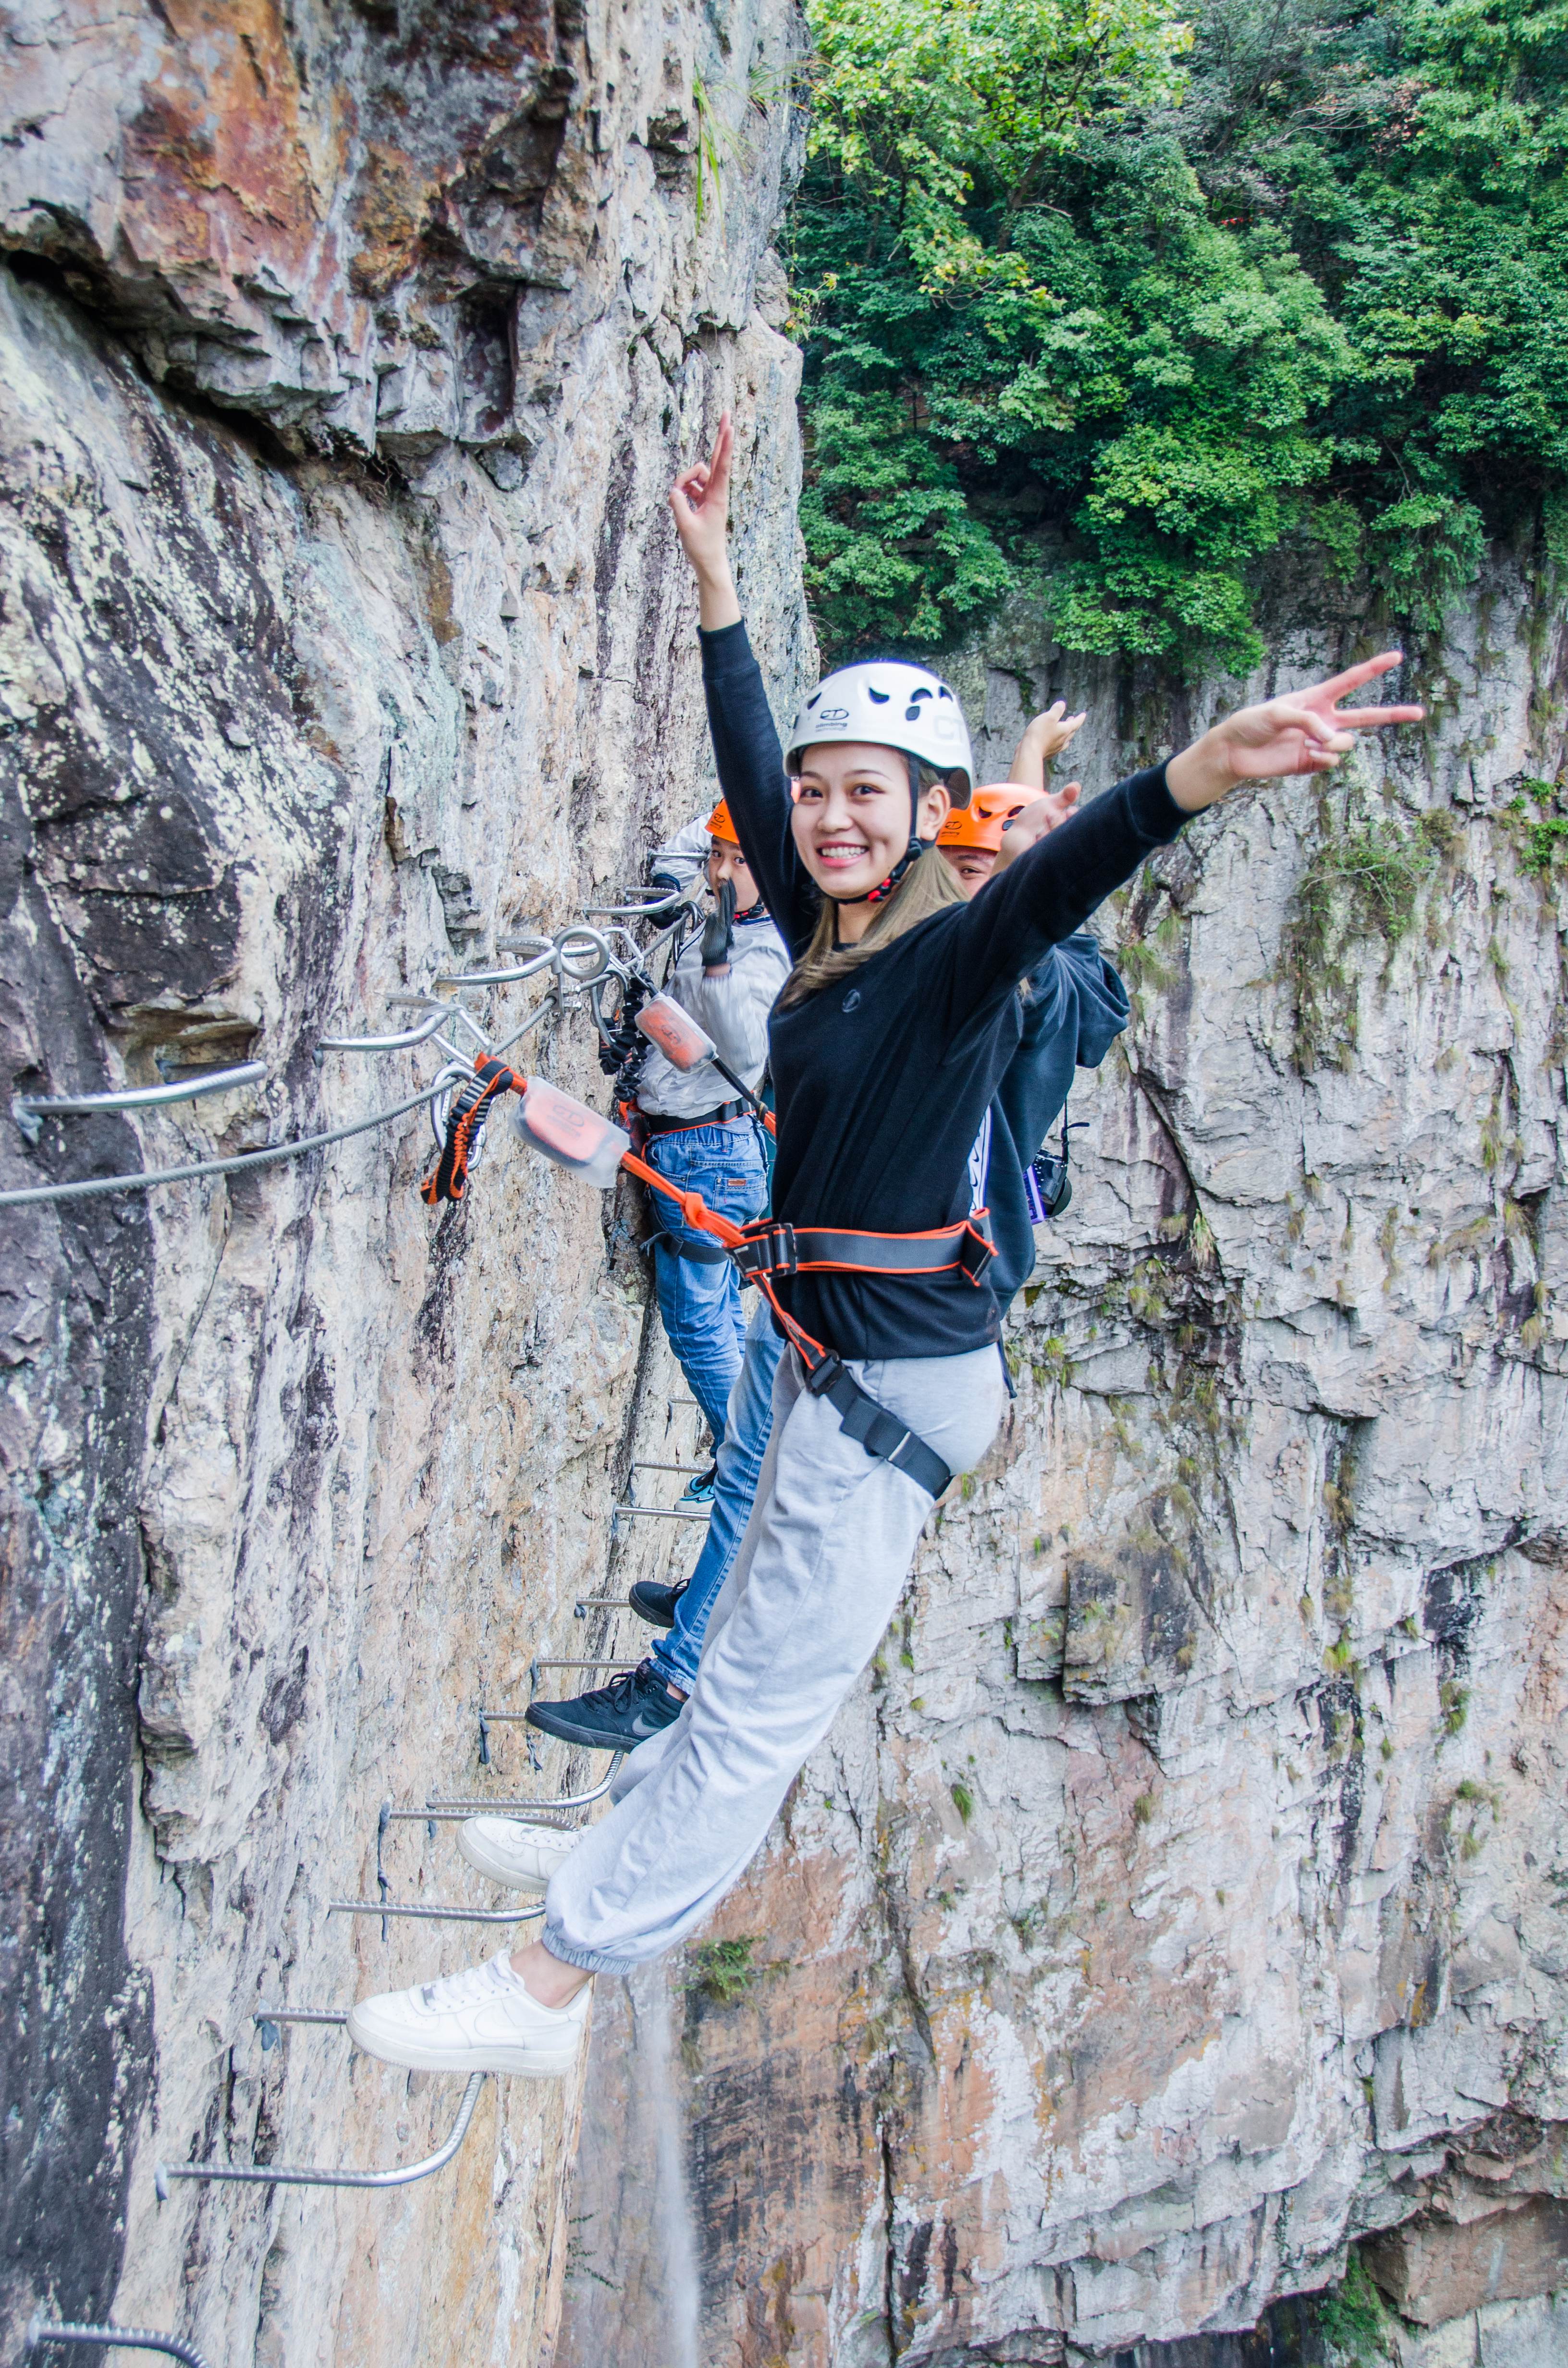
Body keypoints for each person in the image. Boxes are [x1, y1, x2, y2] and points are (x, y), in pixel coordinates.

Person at [345, 412, 1423, 2080]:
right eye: (823, 799)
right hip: (831, 1360)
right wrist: (710, 572)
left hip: (891, 1398)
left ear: (932, 815)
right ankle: (606, 1850)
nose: (831, 822)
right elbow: (748, 753)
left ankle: (553, 1988)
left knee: (762, 1707)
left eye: (872, 801)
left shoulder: (949, 955)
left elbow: (1062, 873)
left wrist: (1198, 774)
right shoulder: (833, 925)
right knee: (729, 1666)